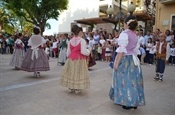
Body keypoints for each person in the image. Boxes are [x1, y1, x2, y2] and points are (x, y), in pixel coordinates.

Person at [109, 15, 145, 110]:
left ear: (126, 24)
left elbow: (121, 51)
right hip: (133, 60)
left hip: (125, 60)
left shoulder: (124, 34)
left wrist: (116, 64)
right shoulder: (134, 34)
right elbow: (135, 49)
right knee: (134, 81)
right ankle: (135, 101)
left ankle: (127, 102)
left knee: (124, 81)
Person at [60, 25, 90, 94]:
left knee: (72, 72)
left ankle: (71, 87)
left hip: (71, 59)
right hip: (79, 59)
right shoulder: (82, 40)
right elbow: (83, 51)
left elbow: (68, 53)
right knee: (78, 72)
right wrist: (88, 51)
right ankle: (77, 87)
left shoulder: (70, 41)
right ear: (79, 32)